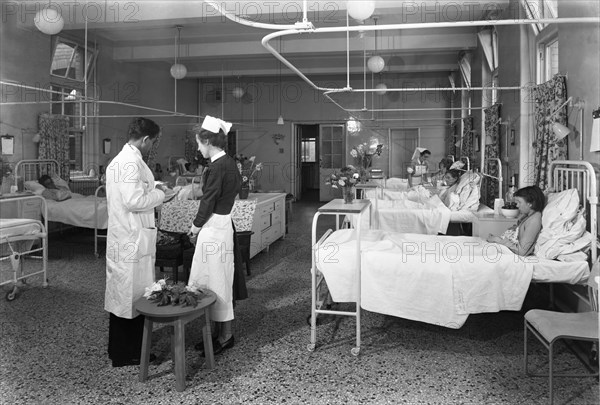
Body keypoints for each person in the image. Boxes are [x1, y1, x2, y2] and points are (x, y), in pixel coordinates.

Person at [104, 117, 166, 367]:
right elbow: (133, 201)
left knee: (128, 295)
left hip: (128, 237)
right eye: (153, 142)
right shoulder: (129, 163)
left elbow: (135, 193)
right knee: (129, 297)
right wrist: (162, 194)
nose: (152, 147)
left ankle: (129, 349)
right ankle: (126, 353)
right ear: (145, 139)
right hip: (130, 239)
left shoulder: (123, 161)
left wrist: (154, 186)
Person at [187, 115, 243, 356]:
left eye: (199, 143)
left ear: (208, 141)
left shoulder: (216, 167)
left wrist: (194, 228)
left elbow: (207, 202)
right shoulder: (229, 163)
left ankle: (225, 335)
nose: (198, 148)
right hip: (222, 226)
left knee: (215, 281)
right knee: (216, 280)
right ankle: (215, 334)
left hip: (213, 229)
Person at [487, 185, 545, 256]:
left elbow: (521, 251)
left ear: (530, 204)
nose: (517, 206)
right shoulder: (528, 216)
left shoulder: (534, 220)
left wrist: (497, 240)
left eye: (519, 202)